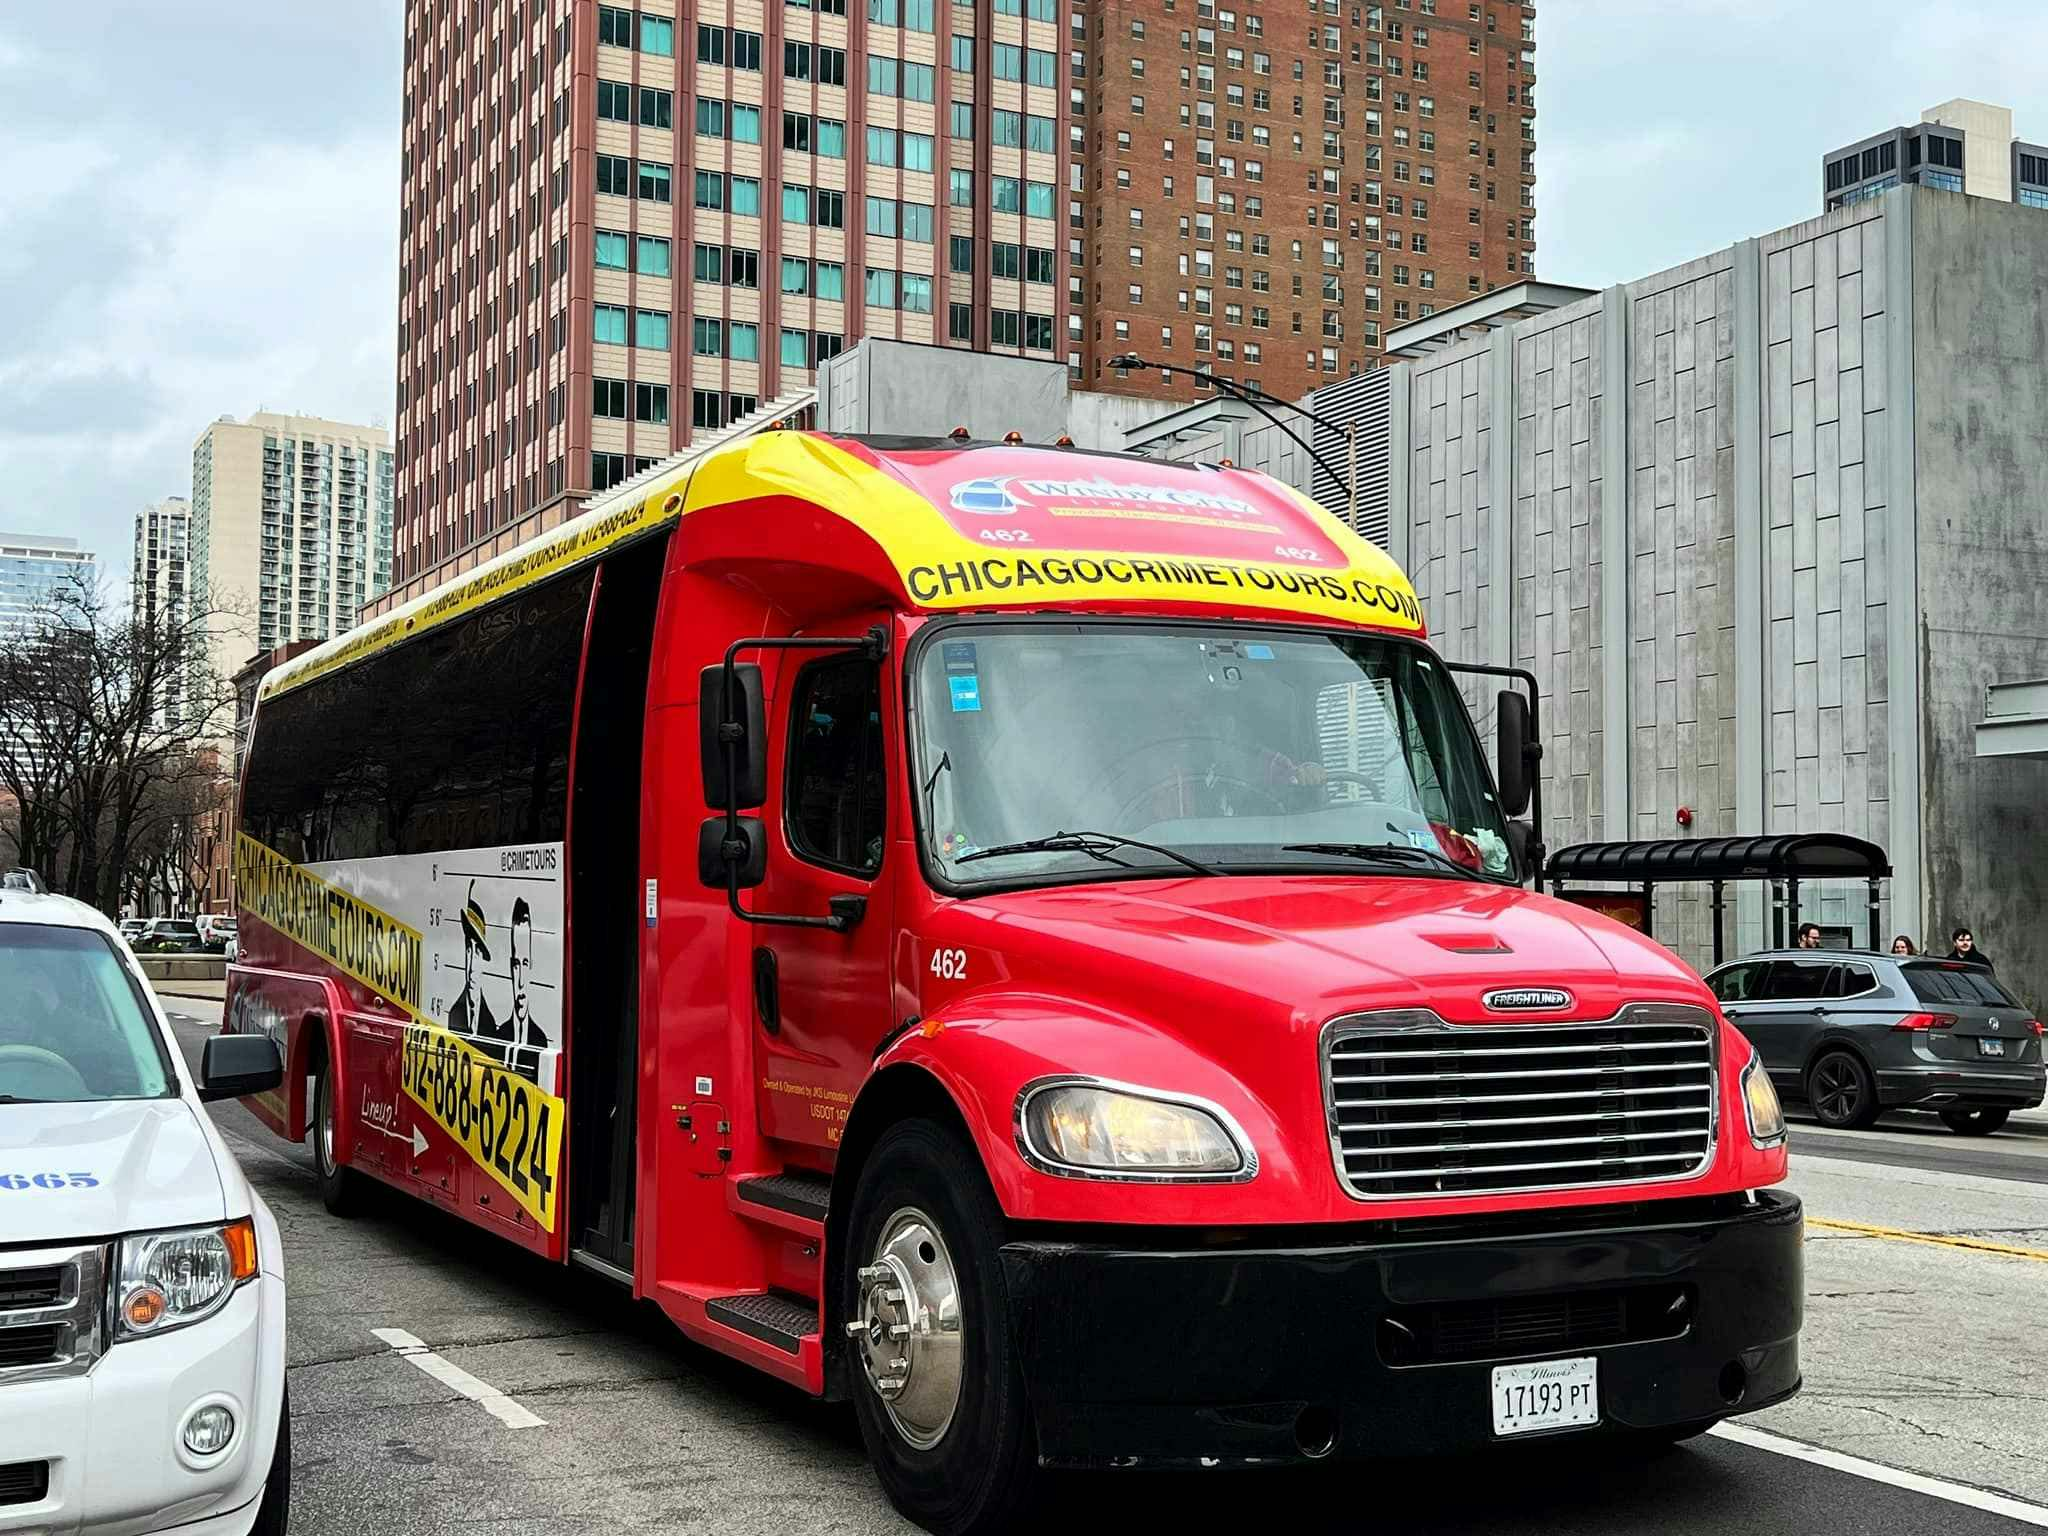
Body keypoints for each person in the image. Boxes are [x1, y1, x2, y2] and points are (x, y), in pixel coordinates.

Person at [446, 882, 499, 1040]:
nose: (471, 965)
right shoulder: (455, 1013)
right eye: (469, 948)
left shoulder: (491, 1022)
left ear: (483, 959)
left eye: (477, 951)